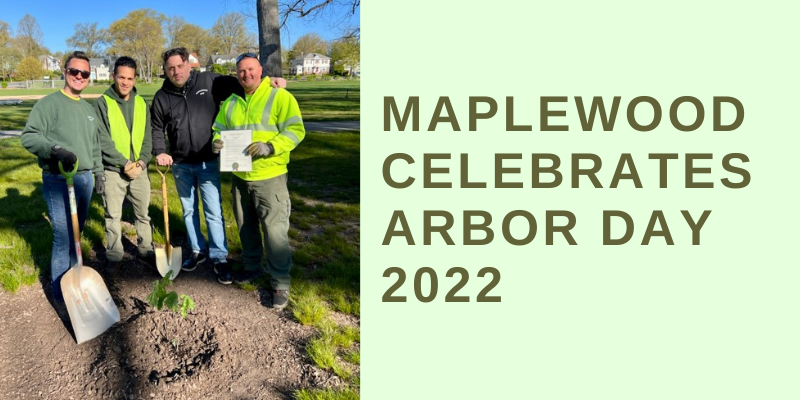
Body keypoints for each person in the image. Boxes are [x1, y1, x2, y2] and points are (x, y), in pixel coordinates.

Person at [150, 47, 285, 278]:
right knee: (188, 210)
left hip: (208, 161)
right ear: (165, 70)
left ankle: (218, 255)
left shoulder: (209, 81)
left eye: (179, 66)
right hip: (181, 164)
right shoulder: (162, 96)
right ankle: (196, 250)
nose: (176, 71)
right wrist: (160, 151)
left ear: (188, 65)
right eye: (170, 68)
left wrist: (269, 80)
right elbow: (155, 127)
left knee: (213, 210)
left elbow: (244, 82)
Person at [212, 53, 305, 308]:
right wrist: (217, 141)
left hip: (269, 176)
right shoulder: (230, 102)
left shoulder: (279, 96)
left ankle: (280, 283)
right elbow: (218, 128)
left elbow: (296, 130)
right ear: (237, 73)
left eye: (251, 69)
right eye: (241, 71)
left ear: (260, 69)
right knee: (246, 226)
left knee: (275, 231)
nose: (246, 75)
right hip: (240, 177)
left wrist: (271, 146)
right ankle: (253, 265)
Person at [21, 51, 105, 318]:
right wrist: (55, 150)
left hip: (85, 178)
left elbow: (95, 145)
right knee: (64, 236)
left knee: (77, 234)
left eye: (85, 74)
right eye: (74, 72)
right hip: (59, 179)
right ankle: (60, 294)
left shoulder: (89, 110)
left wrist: (99, 173)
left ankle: (75, 284)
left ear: (89, 78)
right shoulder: (49, 105)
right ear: (65, 72)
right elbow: (29, 137)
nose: (79, 77)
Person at [93, 56, 155, 272]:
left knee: (143, 214)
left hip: (139, 170)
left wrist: (142, 163)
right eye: (121, 77)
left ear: (135, 78)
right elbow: (101, 139)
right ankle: (114, 255)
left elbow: (147, 138)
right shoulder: (102, 103)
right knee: (113, 216)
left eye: (130, 78)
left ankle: (146, 250)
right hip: (113, 170)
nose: (125, 82)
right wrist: (124, 162)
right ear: (113, 77)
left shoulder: (141, 103)